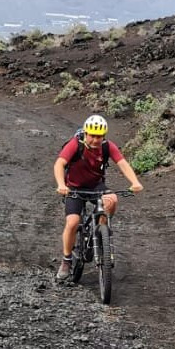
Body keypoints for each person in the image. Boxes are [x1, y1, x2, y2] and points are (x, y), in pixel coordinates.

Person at [53, 114, 143, 281]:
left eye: (99, 136)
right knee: (72, 222)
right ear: (86, 133)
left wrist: (135, 182)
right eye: (92, 135)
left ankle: (101, 233)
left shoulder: (107, 146)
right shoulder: (75, 144)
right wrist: (61, 184)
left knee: (112, 199)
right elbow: (60, 163)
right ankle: (66, 260)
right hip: (74, 187)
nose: (95, 140)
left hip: (95, 185)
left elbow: (122, 163)